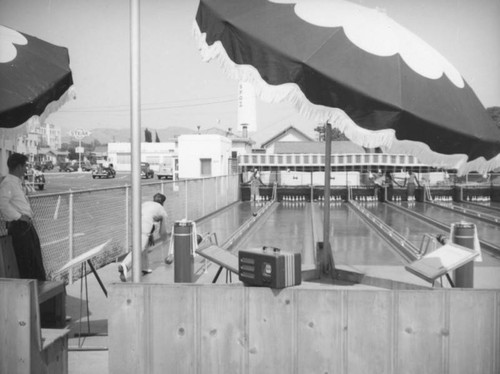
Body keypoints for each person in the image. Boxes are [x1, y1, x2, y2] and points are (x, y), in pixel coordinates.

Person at [0, 153, 46, 280]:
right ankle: (31, 294)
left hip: (25, 227)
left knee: (35, 261)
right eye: (25, 166)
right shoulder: (8, 183)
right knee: (26, 264)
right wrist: (19, 216)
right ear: (19, 167)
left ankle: (38, 292)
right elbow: (2, 204)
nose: (26, 168)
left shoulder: (16, 183)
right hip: (19, 228)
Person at [118, 193, 168, 281]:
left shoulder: (146, 203)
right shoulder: (162, 210)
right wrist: (165, 239)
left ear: (153, 199)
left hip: (134, 221)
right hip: (145, 225)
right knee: (139, 248)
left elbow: (148, 217)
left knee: (143, 245)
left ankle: (145, 268)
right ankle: (125, 265)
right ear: (163, 202)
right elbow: (162, 230)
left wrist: (150, 235)